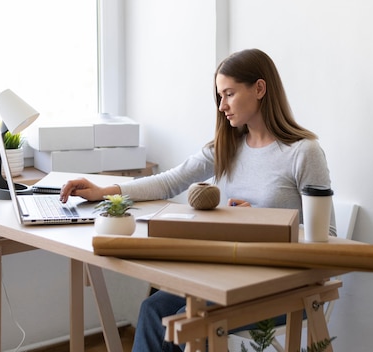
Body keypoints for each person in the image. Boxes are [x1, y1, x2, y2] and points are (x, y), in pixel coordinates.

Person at [60, 48, 335, 351]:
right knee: (152, 310)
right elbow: (168, 181)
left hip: (280, 284)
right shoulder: (227, 147)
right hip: (230, 274)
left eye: (229, 94)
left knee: (187, 319)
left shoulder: (303, 152)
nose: (222, 106)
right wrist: (103, 191)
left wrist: (262, 220)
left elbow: (329, 237)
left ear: (259, 88)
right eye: (219, 96)